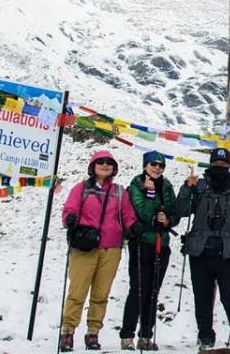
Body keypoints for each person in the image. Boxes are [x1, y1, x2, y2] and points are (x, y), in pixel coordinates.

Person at [175, 148, 230, 352]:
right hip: (200, 252)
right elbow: (180, 211)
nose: (219, 168)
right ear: (210, 164)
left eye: (223, 165)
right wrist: (187, 188)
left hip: (227, 253)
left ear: (229, 166)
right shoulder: (198, 187)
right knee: (202, 296)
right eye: (216, 165)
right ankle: (205, 336)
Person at [60, 150, 140, 352]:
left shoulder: (120, 192)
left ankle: (93, 332)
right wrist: (70, 219)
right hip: (85, 246)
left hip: (111, 248)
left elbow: (127, 215)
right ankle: (68, 331)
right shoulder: (81, 189)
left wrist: (133, 226)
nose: (105, 165)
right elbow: (70, 208)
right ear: (93, 166)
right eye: (100, 162)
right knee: (77, 291)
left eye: (109, 162)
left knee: (101, 294)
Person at [120, 151, 179, 350]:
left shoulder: (168, 185)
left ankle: (146, 335)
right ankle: (127, 335)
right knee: (137, 289)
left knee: (153, 291)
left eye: (161, 166)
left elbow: (174, 211)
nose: (157, 168)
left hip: (162, 244)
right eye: (153, 164)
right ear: (145, 165)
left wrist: (168, 220)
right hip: (142, 242)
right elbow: (142, 210)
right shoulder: (136, 185)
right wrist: (151, 194)